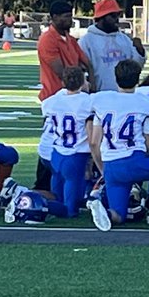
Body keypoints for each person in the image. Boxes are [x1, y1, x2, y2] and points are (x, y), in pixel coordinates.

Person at [87, 60, 149, 230]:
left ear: (116, 78)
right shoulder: (147, 103)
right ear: (138, 80)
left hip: (111, 167)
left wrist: (104, 169)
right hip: (134, 160)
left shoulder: (100, 100)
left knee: (118, 215)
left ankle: (106, 214)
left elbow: (94, 142)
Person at [36, 0, 90, 191]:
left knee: (69, 140)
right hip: (55, 96)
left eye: (70, 15)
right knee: (51, 140)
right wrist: (81, 80)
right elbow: (61, 71)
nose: (70, 19)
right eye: (66, 16)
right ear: (54, 18)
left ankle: (61, 183)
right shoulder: (48, 40)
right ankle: (41, 186)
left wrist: (86, 74)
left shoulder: (69, 38)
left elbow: (84, 61)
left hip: (72, 95)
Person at [39, 66, 94, 218]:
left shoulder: (51, 101)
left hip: (57, 149)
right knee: (72, 182)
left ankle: (55, 208)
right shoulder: (88, 101)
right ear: (82, 82)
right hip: (76, 152)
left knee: (56, 178)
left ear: (63, 82)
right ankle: (69, 211)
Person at [80, 0, 147, 93]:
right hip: (99, 96)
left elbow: (136, 67)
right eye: (112, 16)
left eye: (118, 15)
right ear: (101, 18)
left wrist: (140, 51)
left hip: (124, 95)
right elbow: (83, 72)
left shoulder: (124, 39)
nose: (117, 19)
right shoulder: (86, 41)